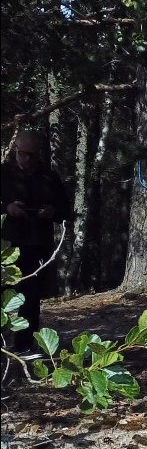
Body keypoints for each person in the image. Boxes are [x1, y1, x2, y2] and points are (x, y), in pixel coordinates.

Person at [1, 129, 67, 355]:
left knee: (30, 299)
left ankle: (24, 346)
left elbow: (65, 210)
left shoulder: (49, 177)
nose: (27, 159)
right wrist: (7, 208)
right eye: (23, 154)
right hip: (6, 247)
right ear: (15, 151)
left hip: (35, 245)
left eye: (32, 155)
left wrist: (52, 211)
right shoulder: (3, 174)